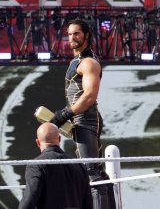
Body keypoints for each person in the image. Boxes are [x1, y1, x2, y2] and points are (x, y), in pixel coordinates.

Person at [50, 19, 116, 208]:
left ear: (86, 35)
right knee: (97, 172)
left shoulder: (88, 62)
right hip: (81, 119)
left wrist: (64, 114)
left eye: (76, 33)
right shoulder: (78, 60)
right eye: (70, 34)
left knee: (91, 172)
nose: (72, 37)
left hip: (86, 119)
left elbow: (89, 96)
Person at [18, 122, 93, 209]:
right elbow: (88, 203)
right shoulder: (79, 165)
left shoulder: (36, 165)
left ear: (38, 142)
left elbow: (29, 200)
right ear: (59, 139)